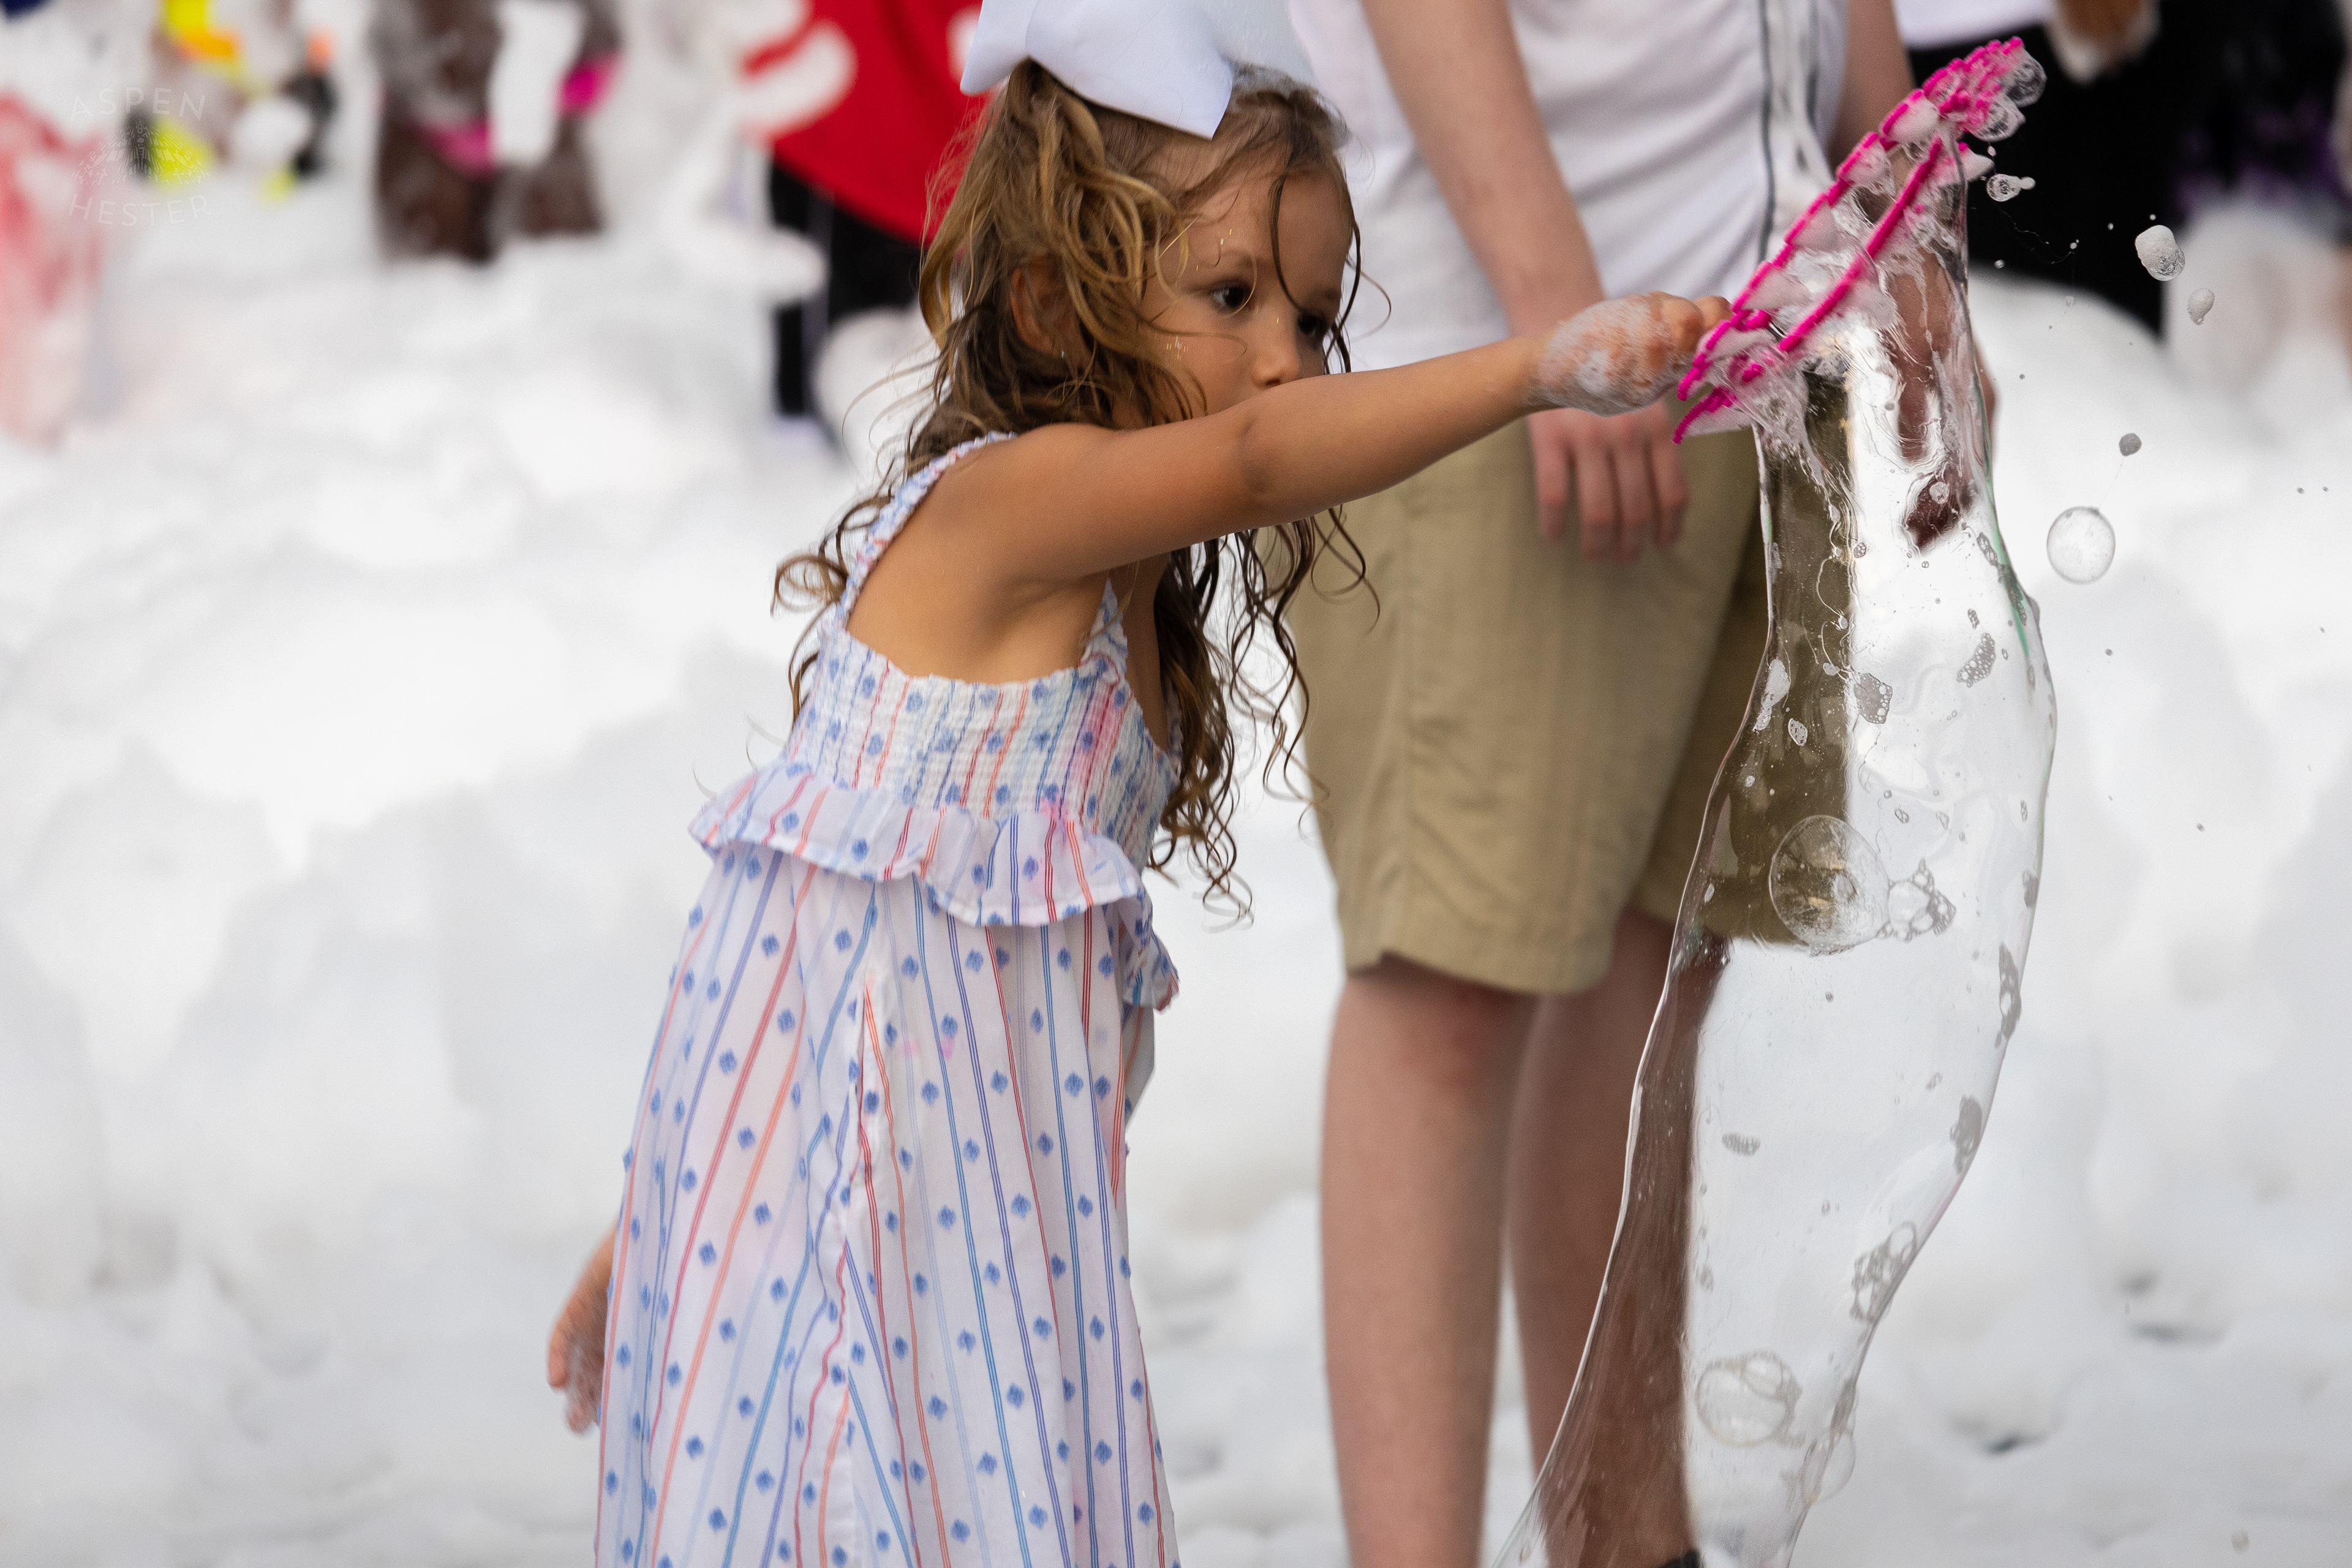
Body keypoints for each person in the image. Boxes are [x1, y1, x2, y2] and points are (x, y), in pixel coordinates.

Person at [541, 18, 1731, 1567]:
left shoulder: (1121, 595)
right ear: (1054, 294)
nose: (1281, 359)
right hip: (866, 1201)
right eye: (1230, 296)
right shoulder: (1008, 506)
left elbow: (798, 957)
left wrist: (664, 1215)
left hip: (976, 1204)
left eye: (1307, 316)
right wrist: (1530, 370)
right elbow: (1252, 459)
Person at [1278, 4, 1917, 1567]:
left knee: (1652, 970)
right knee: (1452, 980)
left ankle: (1630, 1543)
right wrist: (1555, 321)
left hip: (1767, 305)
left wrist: (1907, 220)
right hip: (1506, 332)